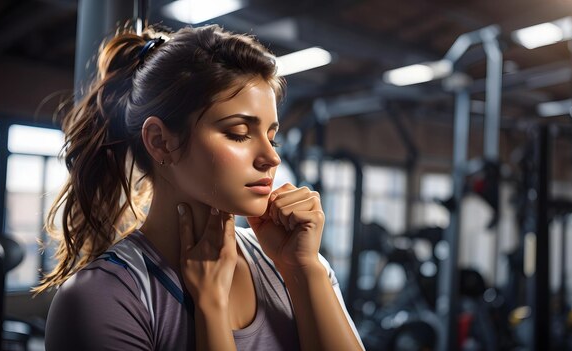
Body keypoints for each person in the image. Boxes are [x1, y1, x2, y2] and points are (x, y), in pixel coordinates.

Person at [37, 23, 365, 351]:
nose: (271, 157)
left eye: (272, 137)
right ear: (160, 142)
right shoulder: (103, 299)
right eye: (239, 132)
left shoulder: (295, 260)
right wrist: (211, 307)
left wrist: (303, 270)